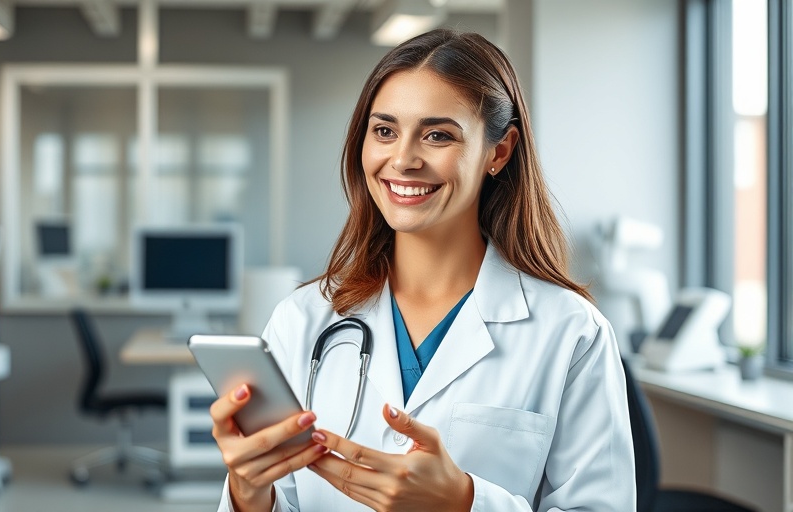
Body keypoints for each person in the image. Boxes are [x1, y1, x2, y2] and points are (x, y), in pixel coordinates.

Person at [209, 29, 635, 511]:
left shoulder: (570, 332)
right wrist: (248, 489)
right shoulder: (302, 319)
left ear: (500, 151)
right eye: (385, 131)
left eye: (438, 135)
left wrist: (465, 501)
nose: (403, 159)